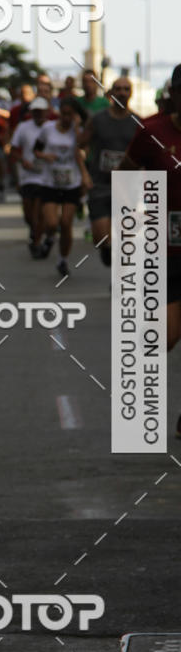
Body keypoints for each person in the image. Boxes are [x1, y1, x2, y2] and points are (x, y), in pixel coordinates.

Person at [121, 63, 181, 437]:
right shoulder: (154, 131)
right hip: (167, 253)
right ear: (173, 94)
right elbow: (126, 172)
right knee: (167, 336)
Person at [80, 77, 139, 268]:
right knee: (101, 237)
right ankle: (107, 252)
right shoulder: (98, 120)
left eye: (126, 89)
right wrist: (84, 174)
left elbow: (147, 156)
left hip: (127, 187)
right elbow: (78, 146)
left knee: (126, 238)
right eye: (118, 89)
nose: (122, 92)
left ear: (131, 93)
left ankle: (120, 276)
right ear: (112, 93)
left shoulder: (138, 123)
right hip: (100, 185)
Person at [34, 97, 92, 276]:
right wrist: (46, 157)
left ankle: (63, 260)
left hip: (71, 183)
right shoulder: (47, 128)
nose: (65, 117)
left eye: (70, 114)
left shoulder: (79, 132)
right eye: (63, 113)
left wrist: (76, 128)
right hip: (50, 182)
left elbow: (82, 152)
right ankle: (50, 238)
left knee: (66, 223)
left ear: (75, 116)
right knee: (51, 223)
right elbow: (36, 150)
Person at [10, 97, 49, 258]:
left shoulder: (52, 128)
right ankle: (34, 231)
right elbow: (13, 150)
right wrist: (21, 161)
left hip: (46, 176)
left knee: (39, 211)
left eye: (41, 111)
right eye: (35, 111)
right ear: (31, 112)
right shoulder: (23, 127)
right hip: (27, 176)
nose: (38, 114)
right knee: (28, 212)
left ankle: (37, 241)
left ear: (46, 112)